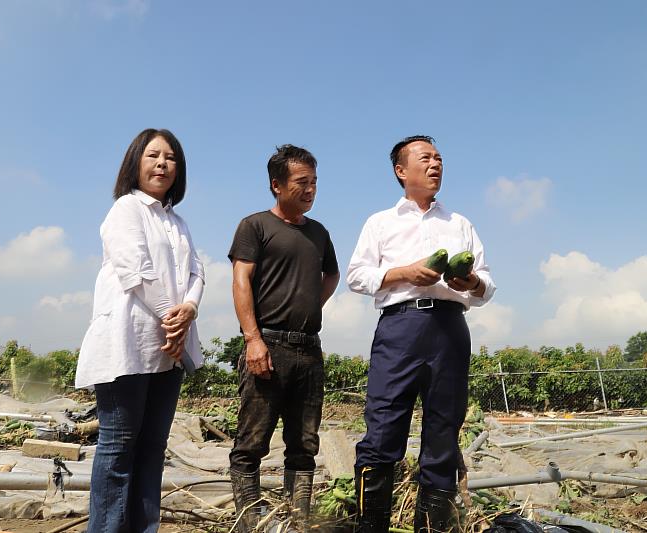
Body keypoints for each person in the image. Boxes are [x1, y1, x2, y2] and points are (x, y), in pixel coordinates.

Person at [346, 135, 496, 533]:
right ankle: (370, 527)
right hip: (400, 327)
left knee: (443, 434)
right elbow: (357, 277)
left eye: (439, 158)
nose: (435, 164)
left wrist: (472, 283)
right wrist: (403, 273)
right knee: (382, 430)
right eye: (425, 158)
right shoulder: (380, 222)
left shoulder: (460, 223)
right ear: (401, 170)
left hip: (450, 329)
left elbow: (488, 285)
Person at [75, 128, 205, 533]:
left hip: (169, 350)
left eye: (170, 157)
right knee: (117, 449)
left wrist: (190, 309)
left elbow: (197, 272)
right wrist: (173, 318)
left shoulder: (178, 222)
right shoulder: (125, 210)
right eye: (153, 155)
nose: (162, 163)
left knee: (152, 449)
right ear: (135, 163)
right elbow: (136, 272)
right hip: (128, 344)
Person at [228, 144, 340, 532]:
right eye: (301, 182)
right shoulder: (255, 226)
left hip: (309, 350)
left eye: (314, 182)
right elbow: (241, 279)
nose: (310, 190)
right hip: (268, 347)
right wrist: (253, 339)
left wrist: (309, 305)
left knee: (304, 445)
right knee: (251, 444)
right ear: (277, 185)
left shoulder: (319, 233)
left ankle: (297, 523)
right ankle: (249, 525)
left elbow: (331, 276)